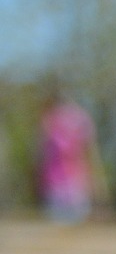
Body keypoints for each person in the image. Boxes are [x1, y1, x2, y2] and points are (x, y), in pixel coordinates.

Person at [39, 94, 99, 222]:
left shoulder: (52, 120)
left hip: (73, 181)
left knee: (71, 222)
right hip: (60, 182)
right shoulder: (53, 120)